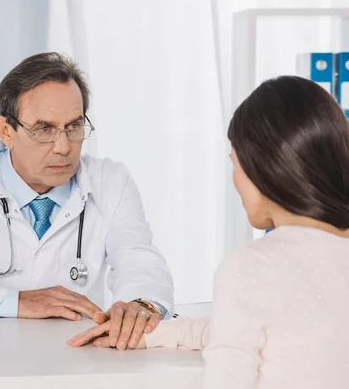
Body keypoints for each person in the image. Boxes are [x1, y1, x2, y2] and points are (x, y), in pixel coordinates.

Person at [68, 75, 349, 387]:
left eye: (235, 163)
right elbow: (277, 326)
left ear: (265, 167)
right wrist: (157, 332)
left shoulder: (253, 266)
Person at [0, 52, 174, 350]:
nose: (63, 147)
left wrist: (141, 302)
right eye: (44, 129)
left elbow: (140, 259)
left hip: (78, 361)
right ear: (6, 130)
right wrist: (12, 301)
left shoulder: (111, 181)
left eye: (74, 126)